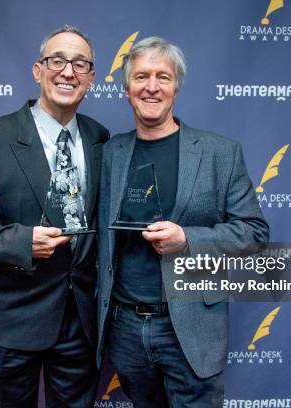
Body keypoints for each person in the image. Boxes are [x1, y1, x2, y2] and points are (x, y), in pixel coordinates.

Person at [0, 25, 109, 407]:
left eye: (80, 64)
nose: (68, 71)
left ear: (92, 78)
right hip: (11, 323)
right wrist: (19, 242)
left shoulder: (99, 138)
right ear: (37, 70)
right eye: (57, 60)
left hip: (80, 326)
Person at [96, 37, 269, 407]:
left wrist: (186, 239)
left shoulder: (220, 153)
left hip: (191, 327)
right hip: (125, 328)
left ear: (176, 87)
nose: (152, 86)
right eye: (142, 76)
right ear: (126, 88)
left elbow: (254, 235)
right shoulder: (110, 153)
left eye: (163, 76)